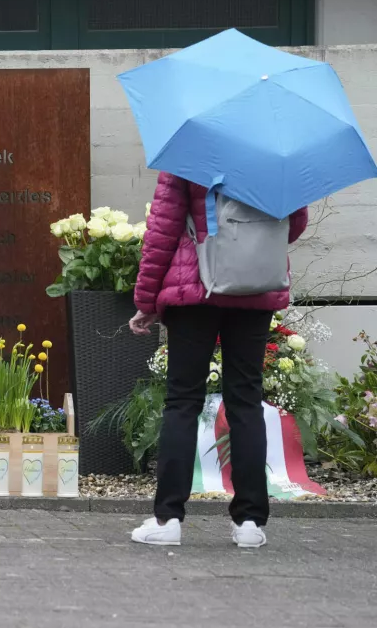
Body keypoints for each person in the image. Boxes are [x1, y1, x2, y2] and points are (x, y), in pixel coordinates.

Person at [128, 171, 308, 548]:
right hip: (255, 288)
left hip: (195, 289)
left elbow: (162, 231)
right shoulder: (276, 154)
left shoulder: (189, 152)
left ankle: (168, 520)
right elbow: (293, 226)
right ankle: (249, 524)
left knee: (182, 402)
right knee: (245, 400)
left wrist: (146, 301)